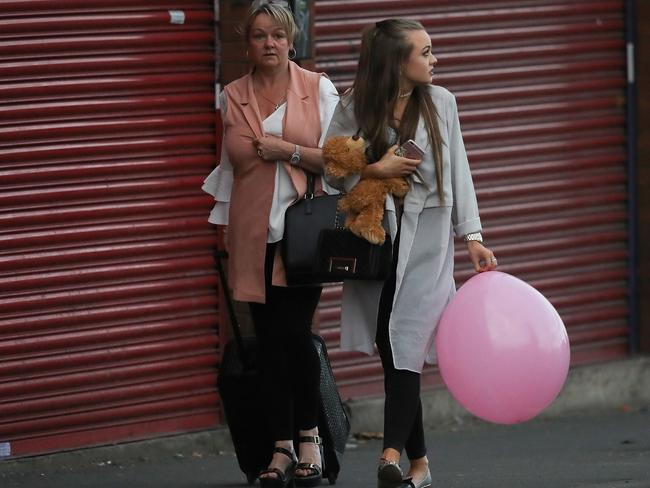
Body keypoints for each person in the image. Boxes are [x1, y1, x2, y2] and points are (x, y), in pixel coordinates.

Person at [324, 19, 498, 488]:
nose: (434, 60)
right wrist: (375, 169)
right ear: (397, 63)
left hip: (426, 246)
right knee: (393, 348)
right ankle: (418, 465)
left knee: (406, 343)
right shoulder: (354, 104)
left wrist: (473, 237)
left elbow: (459, 168)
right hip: (375, 241)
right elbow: (332, 173)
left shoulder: (441, 103)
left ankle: (389, 455)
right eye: (425, 52)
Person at [202, 3, 339, 487]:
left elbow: (343, 163)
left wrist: (289, 151)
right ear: (248, 43)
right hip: (251, 234)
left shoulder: (318, 88)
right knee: (268, 341)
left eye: (278, 35)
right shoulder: (232, 96)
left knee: (294, 336)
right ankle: (279, 448)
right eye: (259, 36)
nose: (269, 44)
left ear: (292, 38)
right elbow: (228, 166)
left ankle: (310, 439)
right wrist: (224, 229)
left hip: (303, 237)